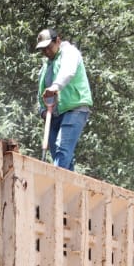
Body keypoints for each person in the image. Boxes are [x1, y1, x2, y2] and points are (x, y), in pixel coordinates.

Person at [34, 28, 92, 171]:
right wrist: (42, 109)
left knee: (62, 148)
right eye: (43, 49)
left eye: (49, 47)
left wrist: (56, 86)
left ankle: (54, 186)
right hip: (54, 113)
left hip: (74, 109)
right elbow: (42, 89)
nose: (46, 52)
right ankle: (68, 191)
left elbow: (68, 71)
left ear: (58, 41)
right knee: (58, 155)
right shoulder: (47, 64)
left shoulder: (70, 52)